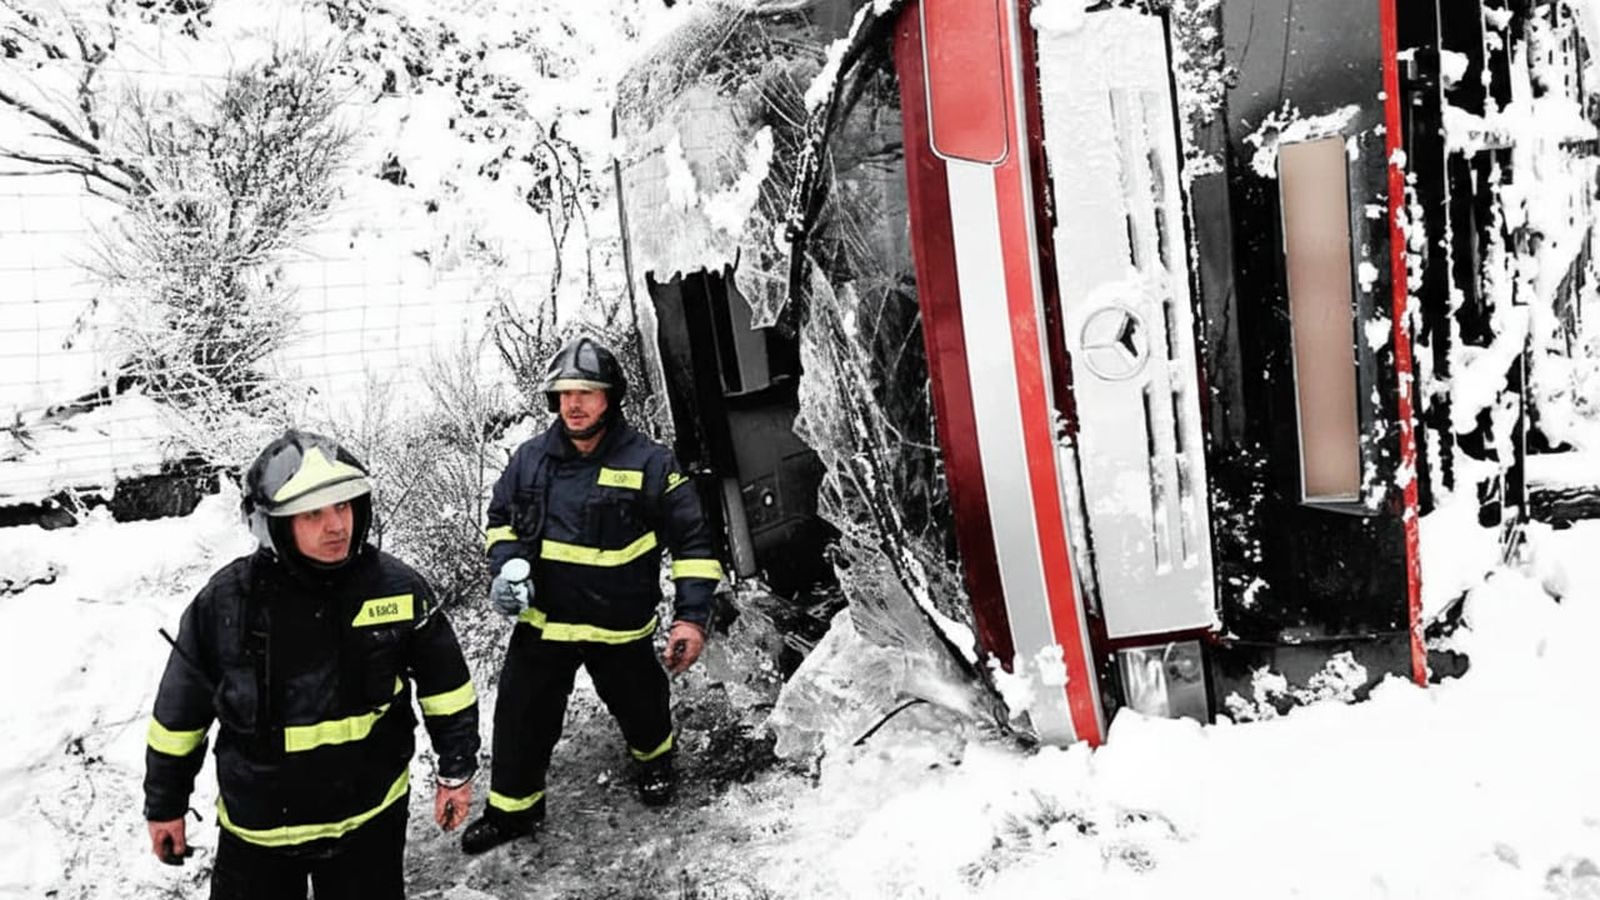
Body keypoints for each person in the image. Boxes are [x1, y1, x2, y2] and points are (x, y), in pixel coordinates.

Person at [143, 430, 481, 899]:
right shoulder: (226, 605)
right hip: (260, 837)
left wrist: (456, 771)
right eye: (313, 514)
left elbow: (447, 689)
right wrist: (165, 804)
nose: (336, 526)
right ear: (272, 524)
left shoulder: (396, 591)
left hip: (368, 825)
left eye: (343, 507)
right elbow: (179, 717)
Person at [459, 335, 723, 855]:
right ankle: (513, 810)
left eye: (587, 392)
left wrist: (691, 618)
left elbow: (693, 541)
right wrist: (507, 563)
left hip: (618, 625)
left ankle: (655, 761)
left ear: (611, 397)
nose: (574, 404)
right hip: (545, 623)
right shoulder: (528, 460)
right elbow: (499, 521)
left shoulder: (651, 462)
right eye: (563, 393)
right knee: (520, 716)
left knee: (642, 706)